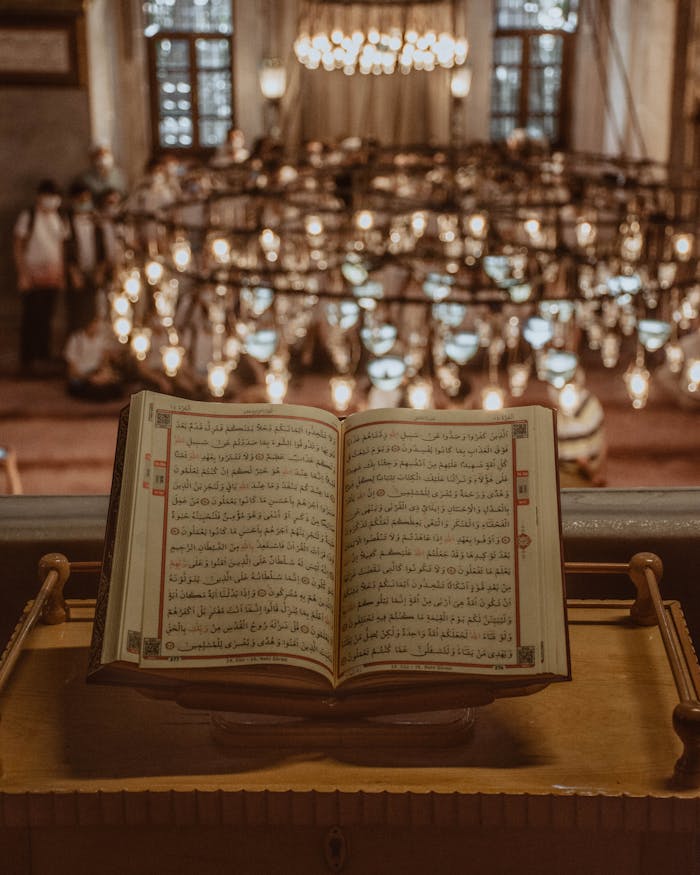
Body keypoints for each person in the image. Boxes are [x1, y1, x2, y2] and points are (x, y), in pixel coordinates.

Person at [13, 179, 69, 375]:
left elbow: (62, 246)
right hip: (32, 276)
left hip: (52, 276)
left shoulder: (60, 217)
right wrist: (22, 274)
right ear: (39, 196)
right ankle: (27, 359)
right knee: (31, 318)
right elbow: (18, 245)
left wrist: (61, 274)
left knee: (47, 317)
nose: (51, 200)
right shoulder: (28, 216)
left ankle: (43, 356)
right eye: (48, 196)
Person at [65, 182, 109, 334]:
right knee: (76, 311)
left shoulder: (96, 221)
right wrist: (73, 272)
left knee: (95, 308)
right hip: (76, 273)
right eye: (81, 199)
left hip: (94, 271)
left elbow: (102, 248)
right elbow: (66, 248)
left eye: (87, 199)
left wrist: (101, 270)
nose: (85, 202)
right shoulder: (67, 221)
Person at [63, 314, 124, 401]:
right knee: (82, 388)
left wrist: (104, 375)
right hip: (82, 376)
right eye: (94, 323)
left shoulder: (101, 339)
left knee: (116, 386)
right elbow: (72, 370)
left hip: (96, 372)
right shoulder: (76, 339)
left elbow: (105, 363)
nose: (96, 326)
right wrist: (89, 378)